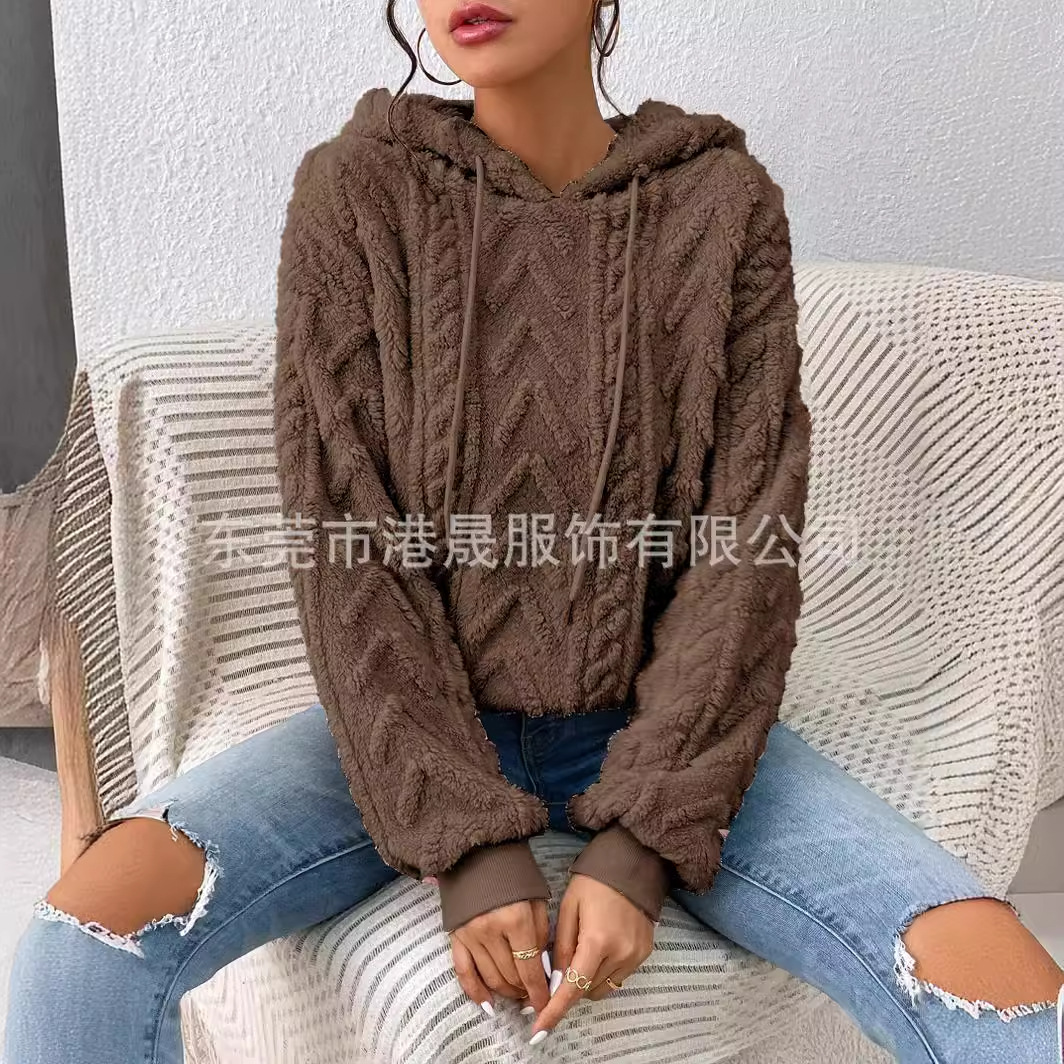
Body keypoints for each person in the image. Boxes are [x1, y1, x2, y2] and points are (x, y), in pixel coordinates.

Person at [6, 2, 1063, 1062]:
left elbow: (745, 549)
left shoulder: (721, 203)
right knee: (79, 945)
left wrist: (642, 840)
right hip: (411, 726)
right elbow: (347, 544)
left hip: (663, 723)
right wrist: (465, 840)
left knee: (1009, 995)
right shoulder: (357, 193)